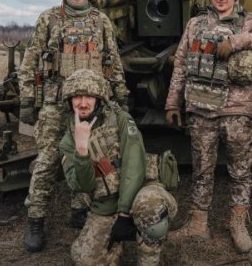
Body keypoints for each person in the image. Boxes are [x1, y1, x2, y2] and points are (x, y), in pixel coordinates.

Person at [164, 0, 252, 253]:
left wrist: (238, 41)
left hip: (236, 113)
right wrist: (172, 102)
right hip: (201, 109)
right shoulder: (195, 24)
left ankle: (237, 222)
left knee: (240, 170)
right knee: (202, 170)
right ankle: (197, 224)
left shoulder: (250, 23)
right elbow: (180, 64)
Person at [18, 0, 128, 252]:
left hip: (89, 104)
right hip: (56, 103)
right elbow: (29, 62)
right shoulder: (49, 19)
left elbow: (112, 61)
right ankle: (36, 219)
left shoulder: (101, 21)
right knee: (47, 161)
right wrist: (28, 100)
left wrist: (121, 95)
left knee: (89, 155)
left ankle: (80, 211)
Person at [59, 69, 177, 266]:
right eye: (77, 97)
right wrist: (81, 150)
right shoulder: (68, 140)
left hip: (141, 189)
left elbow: (134, 165)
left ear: (99, 99)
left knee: (150, 208)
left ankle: (149, 259)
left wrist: (124, 213)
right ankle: (115, 249)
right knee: (86, 260)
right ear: (69, 101)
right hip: (105, 204)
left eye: (89, 96)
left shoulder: (120, 119)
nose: (83, 103)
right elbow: (82, 185)